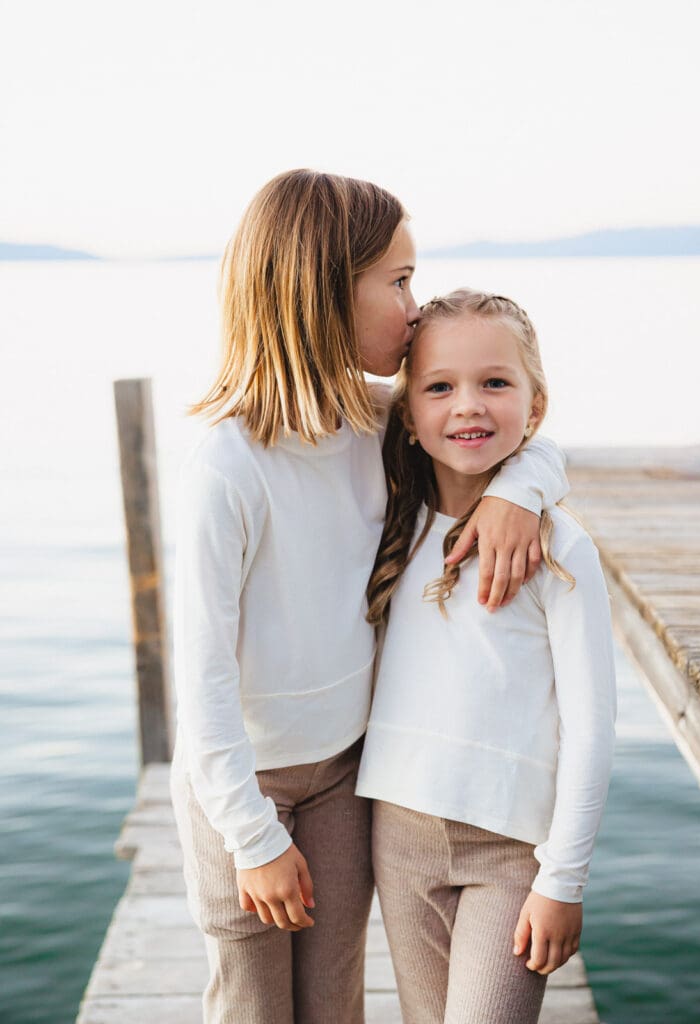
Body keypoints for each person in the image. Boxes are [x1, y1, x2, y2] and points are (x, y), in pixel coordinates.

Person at [169, 172, 570, 1024]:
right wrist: (252, 837)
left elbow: (512, 431)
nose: (416, 308)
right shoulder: (228, 468)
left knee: (334, 1000)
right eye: (398, 282)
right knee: (253, 1004)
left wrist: (520, 491)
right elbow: (199, 682)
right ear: (322, 292)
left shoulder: (376, 421)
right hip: (243, 788)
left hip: (346, 775)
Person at [358, 288, 617, 1024]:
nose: (468, 405)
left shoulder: (559, 550)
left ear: (535, 407)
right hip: (399, 838)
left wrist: (562, 880)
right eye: (440, 387)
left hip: (510, 851)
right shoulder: (387, 517)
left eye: (495, 383)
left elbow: (592, 727)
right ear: (408, 413)